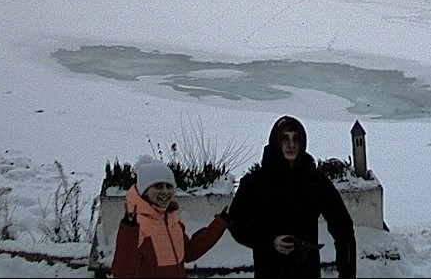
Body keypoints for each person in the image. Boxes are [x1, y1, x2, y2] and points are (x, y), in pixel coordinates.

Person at [224, 115, 356, 278]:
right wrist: (269, 242)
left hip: (307, 271)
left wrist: (347, 272)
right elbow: (236, 223)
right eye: (284, 138)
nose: (291, 145)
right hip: (270, 270)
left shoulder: (315, 181)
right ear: (275, 142)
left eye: (296, 139)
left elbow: (343, 226)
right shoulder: (256, 182)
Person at [111, 156, 228, 278]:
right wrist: (129, 230)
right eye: (158, 186)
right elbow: (122, 274)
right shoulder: (135, 225)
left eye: (169, 186)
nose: (165, 191)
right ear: (144, 191)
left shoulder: (172, 218)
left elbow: (189, 251)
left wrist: (221, 222)